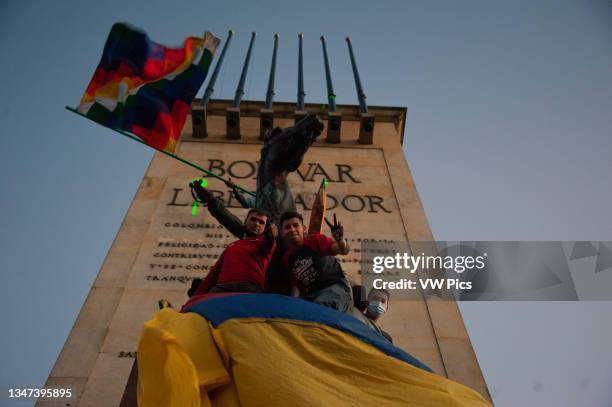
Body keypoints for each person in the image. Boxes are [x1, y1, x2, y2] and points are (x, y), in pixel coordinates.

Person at [272, 211, 352, 311]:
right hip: (312, 295)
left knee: (319, 308)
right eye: (288, 227)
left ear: (303, 229)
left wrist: (340, 240)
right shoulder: (287, 258)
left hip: (334, 288)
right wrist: (292, 304)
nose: (292, 229)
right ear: (282, 233)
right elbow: (297, 286)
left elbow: (343, 250)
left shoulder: (315, 240)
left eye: (296, 225)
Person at [189, 207, 277, 295]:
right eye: (253, 219)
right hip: (222, 289)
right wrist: (193, 299)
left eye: (261, 222)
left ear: (265, 228)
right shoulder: (231, 246)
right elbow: (212, 276)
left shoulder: (264, 244)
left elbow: (270, 241)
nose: (257, 224)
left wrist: (271, 233)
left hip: (250, 289)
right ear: (245, 221)